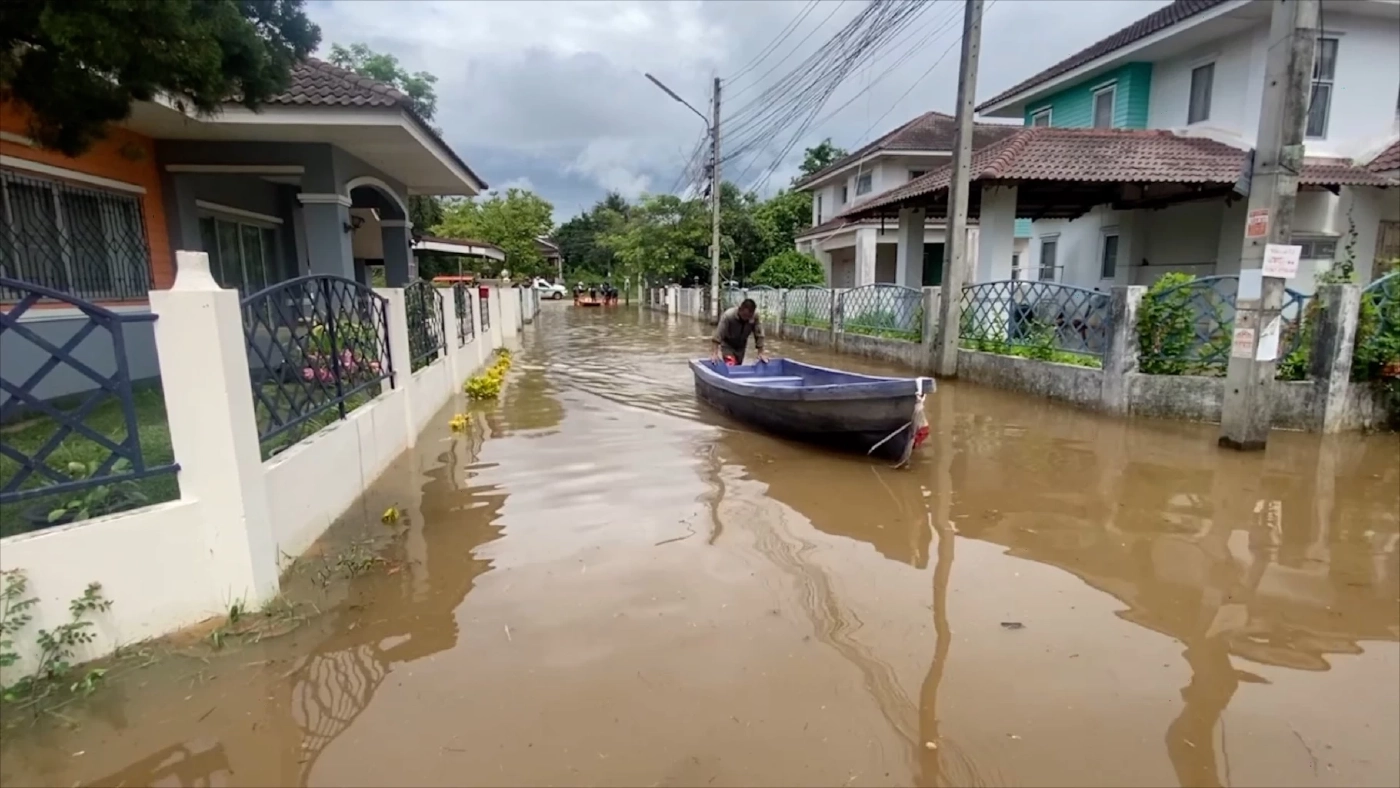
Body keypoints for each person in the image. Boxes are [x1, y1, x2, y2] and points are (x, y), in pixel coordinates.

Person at [710, 298, 768, 365]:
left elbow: (759, 334)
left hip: (741, 345)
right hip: (728, 344)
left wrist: (761, 352)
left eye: (749, 316)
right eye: (745, 315)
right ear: (740, 309)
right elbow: (718, 335)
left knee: (738, 366)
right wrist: (714, 353)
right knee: (731, 364)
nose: (746, 318)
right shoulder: (728, 316)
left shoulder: (755, 317)